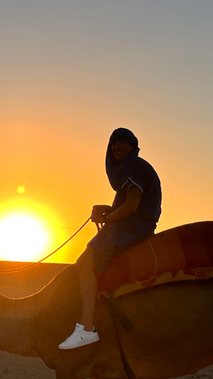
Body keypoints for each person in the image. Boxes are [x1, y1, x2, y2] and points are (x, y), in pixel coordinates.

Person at [59, 128, 161, 350]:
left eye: (123, 143)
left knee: (84, 263)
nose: (117, 147)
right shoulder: (133, 169)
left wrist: (108, 217)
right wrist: (108, 211)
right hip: (134, 226)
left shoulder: (134, 166)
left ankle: (86, 329)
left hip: (132, 229)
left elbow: (131, 206)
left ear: (133, 147)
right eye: (113, 143)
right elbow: (128, 204)